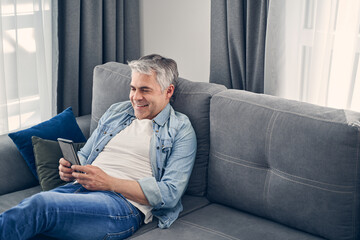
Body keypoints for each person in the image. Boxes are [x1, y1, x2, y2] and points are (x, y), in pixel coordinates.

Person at [0, 54, 197, 239]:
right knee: (23, 218)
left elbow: (170, 194)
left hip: (122, 206)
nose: (136, 97)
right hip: (80, 189)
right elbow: (85, 155)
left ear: (168, 91)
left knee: (39, 206)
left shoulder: (180, 129)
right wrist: (72, 169)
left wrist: (109, 182)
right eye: (133, 88)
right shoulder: (117, 112)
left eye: (145, 90)